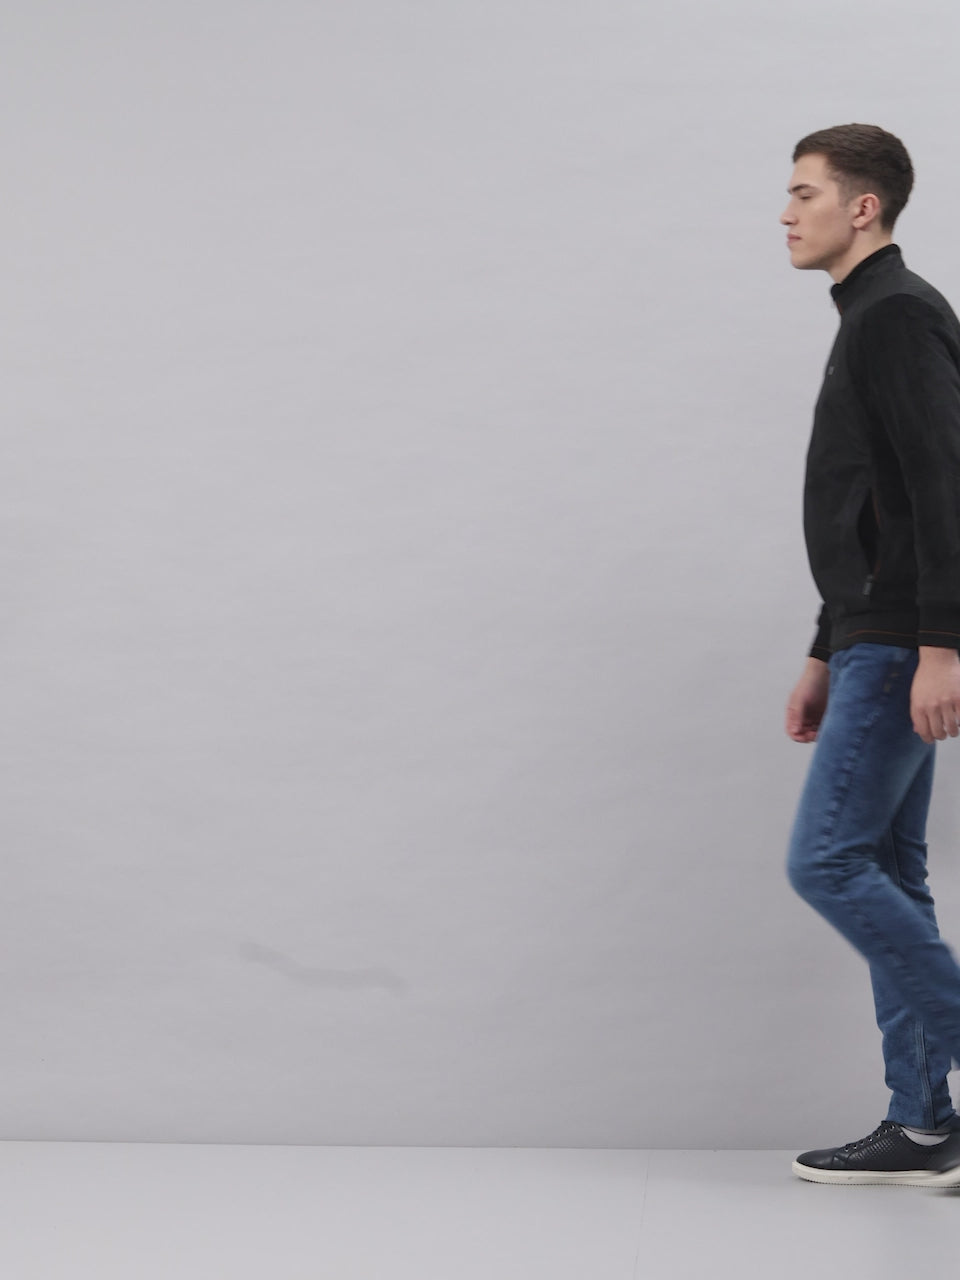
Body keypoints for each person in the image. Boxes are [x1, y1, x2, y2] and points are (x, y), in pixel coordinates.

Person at [781, 123, 960, 1186]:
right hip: (872, 635)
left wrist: (942, 643)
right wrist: (823, 648)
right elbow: (872, 506)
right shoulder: (870, 315)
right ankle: (925, 1121)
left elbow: (945, 482)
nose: (786, 213)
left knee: (828, 861)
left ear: (864, 207)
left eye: (805, 193)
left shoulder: (895, 315)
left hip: (901, 642)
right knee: (889, 869)